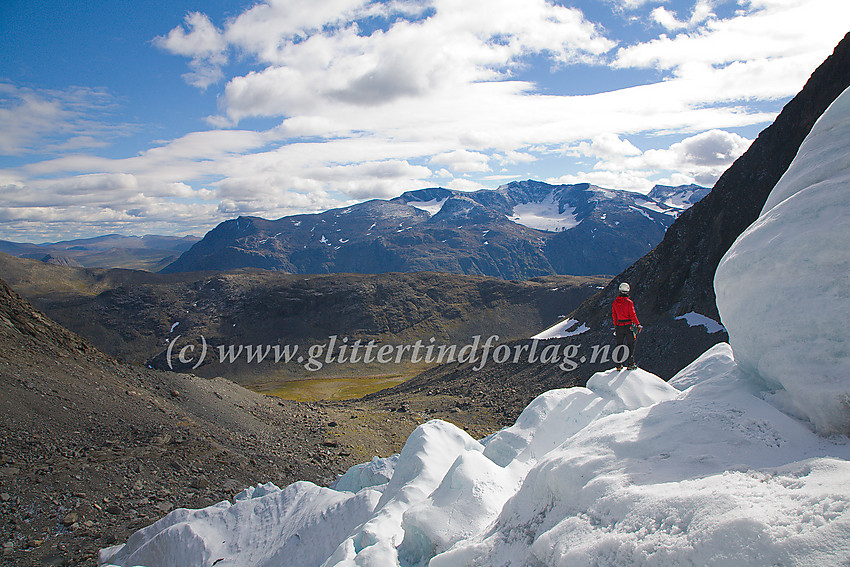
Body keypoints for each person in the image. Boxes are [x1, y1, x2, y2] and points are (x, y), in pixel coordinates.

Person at [611, 282, 641, 370]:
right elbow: (632, 315)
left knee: (619, 345)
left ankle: (618, 364)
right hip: (628, 326)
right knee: (630, 344)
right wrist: (637, 324)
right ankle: (630, 363)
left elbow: (614, 315)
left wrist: (616, 326)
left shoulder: (615, 303)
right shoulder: (629, 302)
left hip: (619, 326)